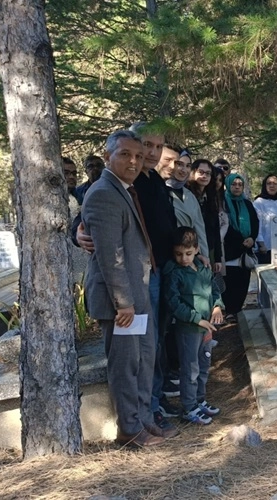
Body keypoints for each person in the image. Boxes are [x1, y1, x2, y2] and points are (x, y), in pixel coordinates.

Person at [81, 130, 163, 448]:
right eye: (125, 154)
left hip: (137, 296)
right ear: (107, 156)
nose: (134, 161)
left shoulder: (125, 190)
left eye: (138, 156)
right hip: (121, 303)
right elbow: (109, 255)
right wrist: (124, 302)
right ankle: (129, 430)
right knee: (125, 365)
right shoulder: (103, 193)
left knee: (144, 359)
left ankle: (143, 419)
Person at [163, 227, 225, 425]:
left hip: (206, 327)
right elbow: (174, 303)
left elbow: (214, 289)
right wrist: (195, 318)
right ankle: (189, 407)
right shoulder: (175, 273)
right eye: (179, 254)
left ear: (197, 250)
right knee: (190, 369)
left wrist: (217, 307)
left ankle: (199, 400)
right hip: (189, 328)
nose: (184, 258)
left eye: (188, 253)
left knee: (204, 364)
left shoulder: (203, 268)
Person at [158, 147, 210, 263]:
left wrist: (204, 255)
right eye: (179, 164)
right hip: (167, 256)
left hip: (188, 257)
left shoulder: (189, 195)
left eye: (188, 166)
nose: (184, 170)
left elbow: (199, 228)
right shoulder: (161, 191)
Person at [223, 173, 260, 322]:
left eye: (240, 185)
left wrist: (252, 238)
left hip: (246, 250)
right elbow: (224, 225)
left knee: (243, 282)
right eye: (234, 184)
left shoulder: (247, 204)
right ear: (228, 185)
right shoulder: (223, 202)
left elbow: (255, 223)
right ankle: (229, 310)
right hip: (230, 249)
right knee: (229, 282)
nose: (237, 187)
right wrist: (240, 240)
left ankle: (237, 310)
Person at [188, 159, 223, 272]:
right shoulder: (187, 195)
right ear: (193, 172)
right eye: (201, 172)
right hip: (190, 251)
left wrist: (218, 257)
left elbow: (216, 229)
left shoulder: (211, 197)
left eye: (208, 173)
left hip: (209, 249)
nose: (204, 176)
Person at [252, 174, 277, 264]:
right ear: (265, 185)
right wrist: (261, 244)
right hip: (265, 248)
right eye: (269, 183)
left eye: (275, 183)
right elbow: (257, 225)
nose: (272, 186)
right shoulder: (259, 202)